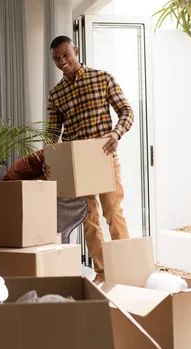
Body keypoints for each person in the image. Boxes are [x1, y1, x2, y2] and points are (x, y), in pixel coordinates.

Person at [45, 35, 134, 284]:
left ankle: (126, 270)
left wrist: (117, 133)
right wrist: (49, 159)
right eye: (56, 59)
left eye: (65, 55)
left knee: (113, 213)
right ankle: (103, 272)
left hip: (104, 157)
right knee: (89, 220)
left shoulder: (102, 78)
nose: (62, 61)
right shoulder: (56, 94)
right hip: (76, 166)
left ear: (76, 50)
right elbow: (53, 134)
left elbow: (126, 111)